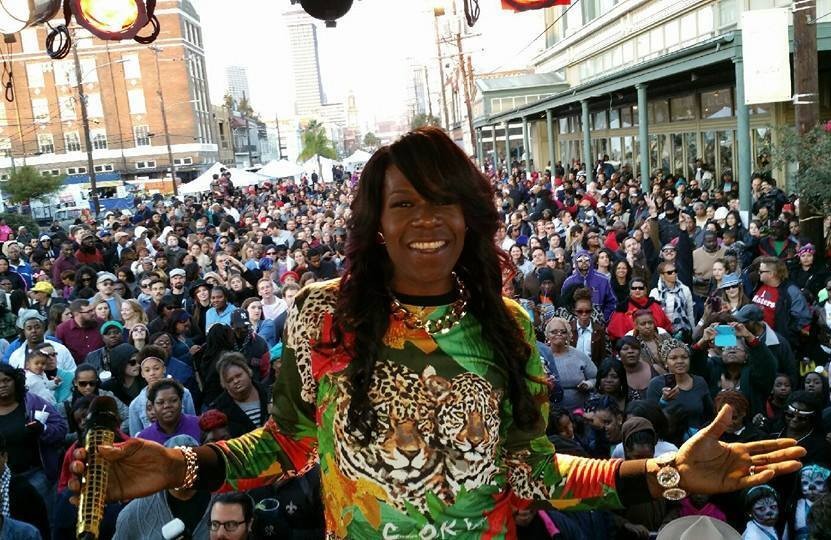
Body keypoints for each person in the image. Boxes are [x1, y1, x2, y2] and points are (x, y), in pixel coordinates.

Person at [69, 126, 805, 538]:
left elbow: (532, 474)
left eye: (444, 203)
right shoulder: (320, 316)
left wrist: (663, 473)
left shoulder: (510, 328)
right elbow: (285, 443)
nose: (425, 220)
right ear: (376, 223)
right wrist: (181, 467)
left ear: (470, 218)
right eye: (403, 204)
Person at [113, 435, 212, 539]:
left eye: (189, 461)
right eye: (175, 462)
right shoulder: (134, 513)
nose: (183, 468)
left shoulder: (220, 501)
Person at [209, 353, 270, 438]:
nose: (236, 381)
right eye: (230, 380)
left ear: (248, 372)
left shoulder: (269, 393)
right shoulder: (219, 410)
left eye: (238, 376)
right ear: (224, 384)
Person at [543, 317, 597, 410]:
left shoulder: (579, 355)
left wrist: (588, 384)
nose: (559, 334)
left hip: (579, 411)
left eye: (563, 332)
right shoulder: (541, 355)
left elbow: (595, 377)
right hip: (550, 411)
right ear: (547, 335)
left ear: (568, 335)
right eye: (554, 332)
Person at [137, 380, 202, 445]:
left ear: (181, 402)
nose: (167, 406)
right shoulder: (144, 439)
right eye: (160, 402)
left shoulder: (200, 425)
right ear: (153, 406)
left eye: (173, 400)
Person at [55, 299, 104, 365]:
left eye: (93, 309)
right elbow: (60, 353)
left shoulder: (101, 323)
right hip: (76, 369)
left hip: (102, 367)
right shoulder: (62, 329)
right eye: (89, 311)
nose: (93, 313)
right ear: (76, 314)